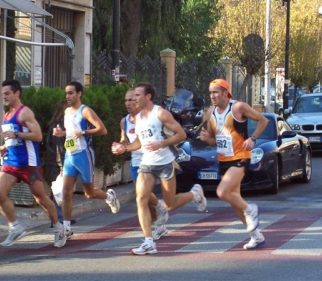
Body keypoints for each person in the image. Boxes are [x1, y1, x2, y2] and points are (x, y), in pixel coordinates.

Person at [112, 82, 207, 255]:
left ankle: (195, 193)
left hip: (165, 162)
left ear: (148, 97)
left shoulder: (161, 113)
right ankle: (148, 242)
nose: (134, 99)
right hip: (147, 163)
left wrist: (161, 143)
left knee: (170, 204)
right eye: (133, 97)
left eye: (137, 95)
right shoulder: (138, 118)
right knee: (141, 198)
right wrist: (123, 148)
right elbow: (139, 142)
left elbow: (181, 134)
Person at [199, 79, 269, 250]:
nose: (212, 96)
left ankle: (251, 209)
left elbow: (263, 121)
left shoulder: (238, 108)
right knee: (235, 202)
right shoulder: (210, 113)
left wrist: (252, 139)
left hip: (241, 157)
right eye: (210, 93)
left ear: (225, 92)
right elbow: (212, 140)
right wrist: (206, 139)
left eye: (216, 92)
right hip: (224, 159)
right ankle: (256, 236)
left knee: (222, 192)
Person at [0, 79, 64, 247]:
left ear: (17, 93)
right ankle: (15, 227)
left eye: (7, 94)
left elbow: (38, 136)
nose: (4, 97)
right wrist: (3, 147)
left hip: (29, 164)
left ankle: (58, 227)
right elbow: (10, 138)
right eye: (3, 93)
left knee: (41, 198)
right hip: (11, 162)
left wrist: (17, 135)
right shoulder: (6, 115)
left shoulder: (25, 113)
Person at [53, 81, 121, 247]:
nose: (67, 96)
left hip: (84, 154)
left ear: (79, 94)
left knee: (89, 193)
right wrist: (62, 133)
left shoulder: (86, 111)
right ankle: (66, 228)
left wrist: (83, 132)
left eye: (71, 93)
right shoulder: (67, 111)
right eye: (66, 93)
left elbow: (102, 129)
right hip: (70, 155)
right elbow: (71, 133)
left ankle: (109, 197)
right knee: (66, 191)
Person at [117, 88, 168, 240]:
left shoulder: (151, 116)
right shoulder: (124, 121)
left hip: (151, 160)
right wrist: (121, 145)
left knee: (142, 195)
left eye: (132, 99)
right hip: (135, 161)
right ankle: (159, 217)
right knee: (142, 196)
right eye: (126, 100)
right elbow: (124, 139)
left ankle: (157, 219)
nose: (129, 103)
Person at [45, 100, 68, 224]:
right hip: (58, 163)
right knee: (58, 192)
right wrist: (62, 166)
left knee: (57, 191)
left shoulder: (56, 125)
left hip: (53, 162)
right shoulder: (60, 127)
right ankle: (58, 219)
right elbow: (60, 149)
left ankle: (60, 218)